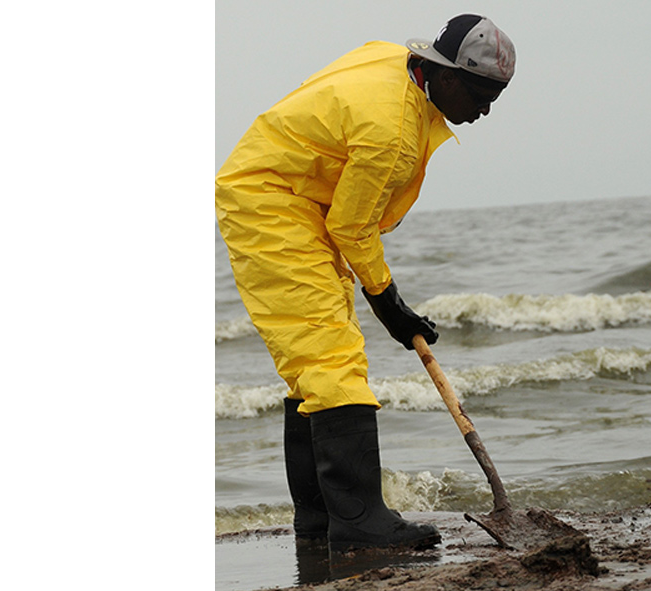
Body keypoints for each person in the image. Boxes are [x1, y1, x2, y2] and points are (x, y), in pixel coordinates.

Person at [215, 15, 516, 552]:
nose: (485, 110)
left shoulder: (393, 61)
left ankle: (321, 520)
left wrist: (384, 298)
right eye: (479, 94)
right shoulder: (392, 132)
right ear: (445, 76)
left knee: (314, 364)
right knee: (332, 360)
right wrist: (389, 303)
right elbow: (352, 228)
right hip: (272, 202)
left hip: (300, 196)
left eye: (495, 98)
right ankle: (358, 521)